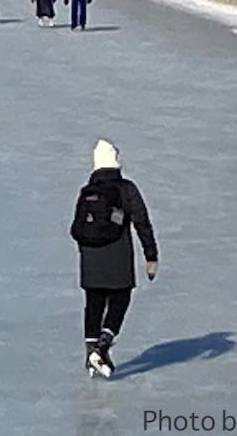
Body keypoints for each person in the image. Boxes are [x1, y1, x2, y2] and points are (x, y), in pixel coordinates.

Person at [70, 139, 158, 378]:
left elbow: (77, 227)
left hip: (90, 258)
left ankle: (91, 352)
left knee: (94, 303)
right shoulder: (126, 189)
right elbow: (142, 223)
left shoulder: (86, 191)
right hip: (117, 257)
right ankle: (102, 347)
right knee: (120, 299)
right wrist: (151, 255)